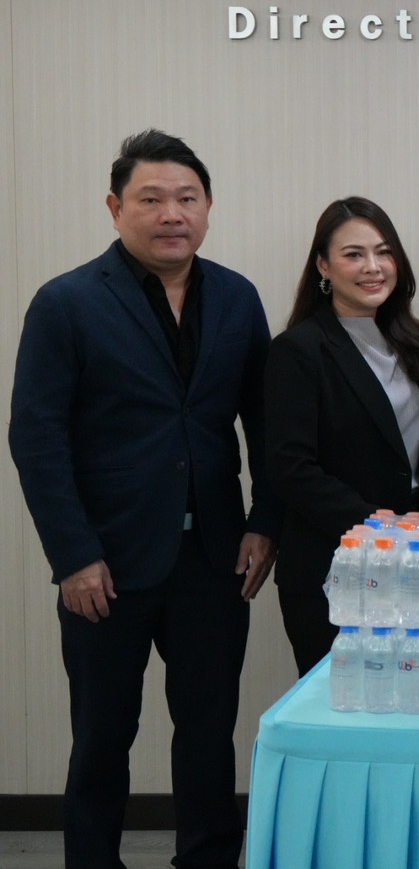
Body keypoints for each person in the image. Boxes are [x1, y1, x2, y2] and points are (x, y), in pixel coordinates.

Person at [8, 129, 280, 868]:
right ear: (114, 208)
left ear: (208, 207)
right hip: (106, 562)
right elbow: (36, 438)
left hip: (213, 557)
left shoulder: (237, 296)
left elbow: (266, 422)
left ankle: (207, 858)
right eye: (151, 199)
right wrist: (73, 556)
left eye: (187, 198)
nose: (171, 214)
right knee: (102, 736)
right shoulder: (67, 302)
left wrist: (264, 522)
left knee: (208, 733)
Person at [264, 196, 419, 676]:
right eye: (354, 254)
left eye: (384, 252)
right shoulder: (298, 351)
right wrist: (381, 526)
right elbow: (291, 470)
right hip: (335, 568)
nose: (373, 267)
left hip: (415, 565)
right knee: (343, 706)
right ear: (323, 266)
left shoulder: (411, 341)